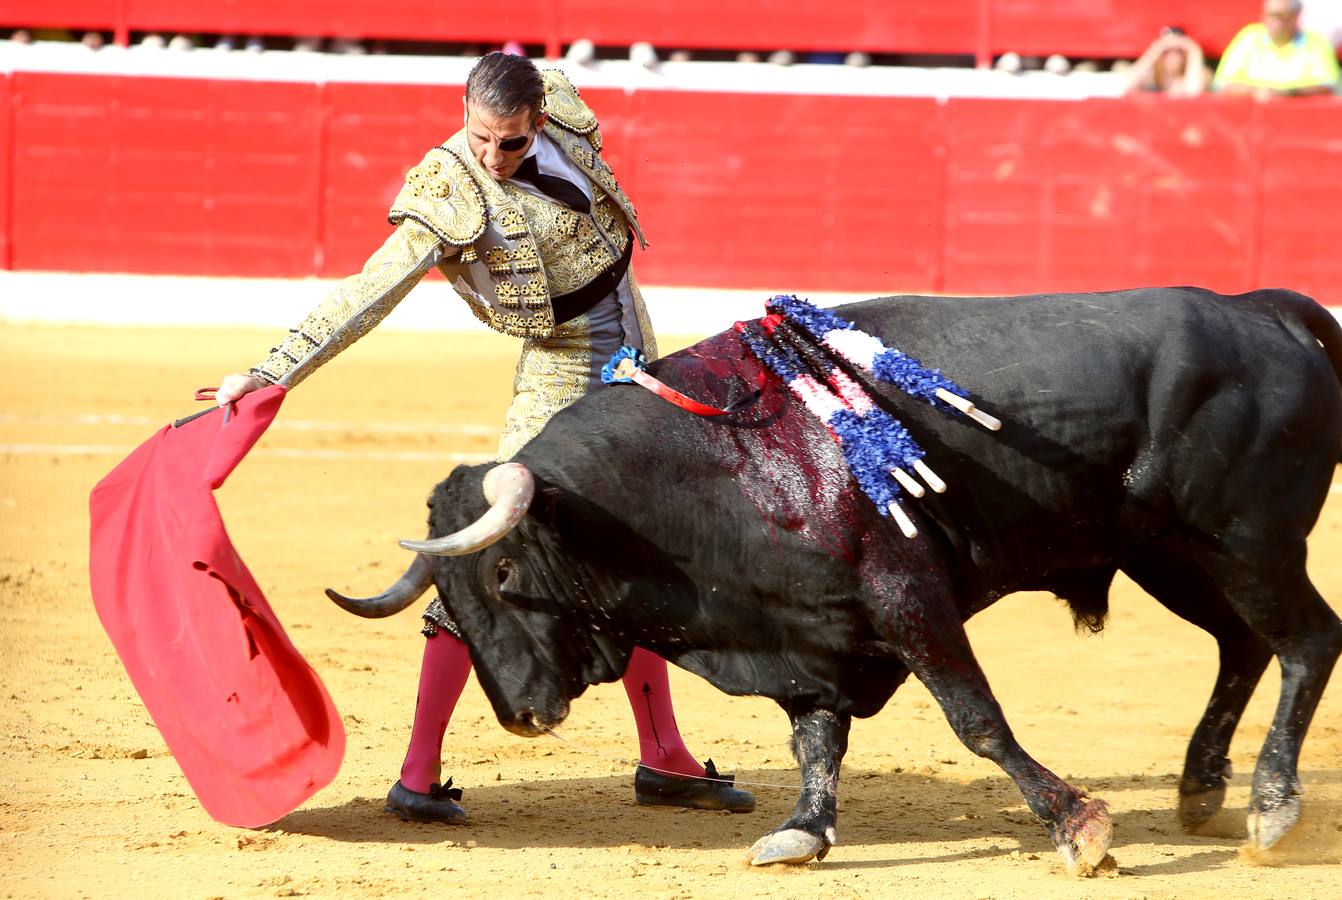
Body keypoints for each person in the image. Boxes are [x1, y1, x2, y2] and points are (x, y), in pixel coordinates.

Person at [213, 51, 754, 824]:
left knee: (635, 543)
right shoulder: (448, 187)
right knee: (492, 551)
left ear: (539, 119)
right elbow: (368, 292)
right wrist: (269, 374)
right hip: (563, 368)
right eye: (480, 139)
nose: (493, 158)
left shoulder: (559, 105)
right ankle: (416, 774)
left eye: (510, 143)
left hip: (633, 338)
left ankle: (663, 756)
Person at [1213, 0, 1340, 98]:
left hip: (1304, 121)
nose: (1271, 20)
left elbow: (1329, 85)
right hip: (1250, 122)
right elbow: (1222, 84)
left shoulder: (1316, 42)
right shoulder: (1249, 38)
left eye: (1279, 15)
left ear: (1295, 16)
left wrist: (1290, 93)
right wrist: (1254, 91)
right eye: (1268, 15)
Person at [1124, 27, 1209, 95]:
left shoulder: (1200, 75)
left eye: (1178, 51)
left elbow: (1193, 93)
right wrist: (1156, 49)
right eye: (1166, 51)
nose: (1172, 56)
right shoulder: (1150, 78)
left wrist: (1193, 49)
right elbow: (1125, 86)